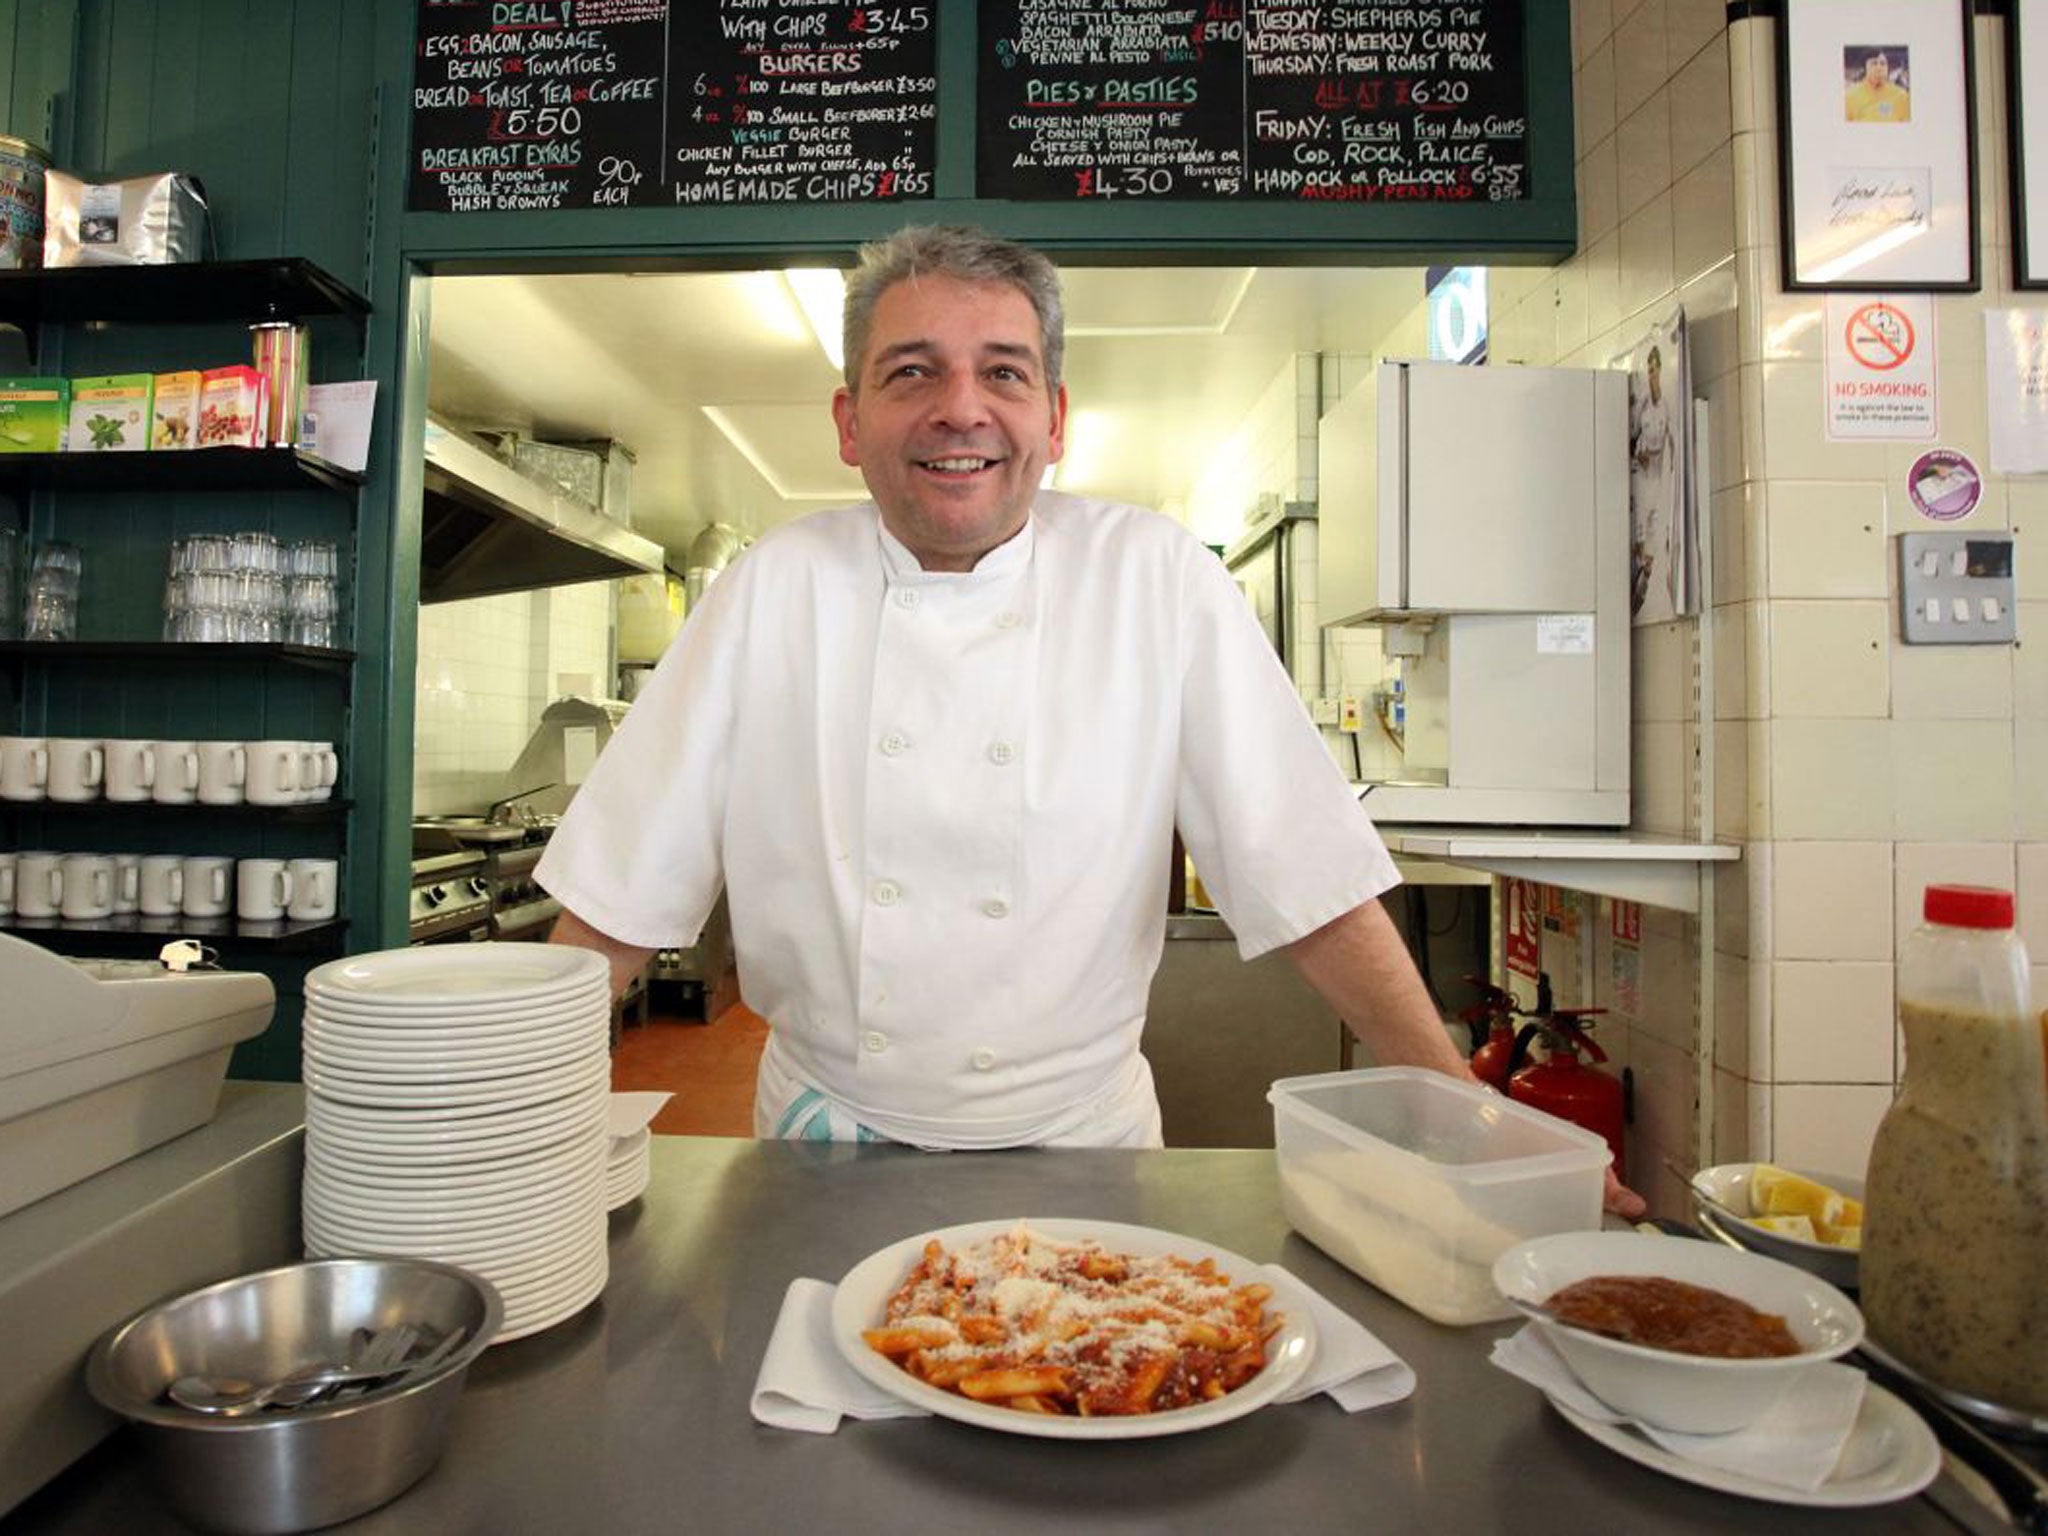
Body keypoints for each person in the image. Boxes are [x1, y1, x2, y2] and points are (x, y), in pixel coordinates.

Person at [539, 224, 1644, 1215]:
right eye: (909, 371)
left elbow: (1304, 874)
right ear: (848, 419)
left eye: (1002, 373)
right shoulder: (769, 589)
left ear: (1053, 418)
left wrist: (1462, 1109)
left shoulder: (1153, 577)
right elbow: (622, 885)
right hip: (822, 1142)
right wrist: (505, 1120)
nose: (958, 409)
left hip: (1083, 1147)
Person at [1628, 343, 1676, 619]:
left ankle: (1644, 586)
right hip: (1642, 480)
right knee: (1641, 539)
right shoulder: (1643, 406)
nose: (1652, 375)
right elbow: (1630, 438)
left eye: (1655, 370)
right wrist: (1639, 454)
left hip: (1658, 481)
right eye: (1649, 371)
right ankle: (1637, 594)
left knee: (1652, 547)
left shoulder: (1666, 408)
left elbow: (1673, 441)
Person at [1844, 48, 1909, 124]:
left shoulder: (1901, 95)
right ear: (1864, 68)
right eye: (1874, 63)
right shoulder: (1850, 96)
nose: (1879, 68)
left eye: (1883, 63)